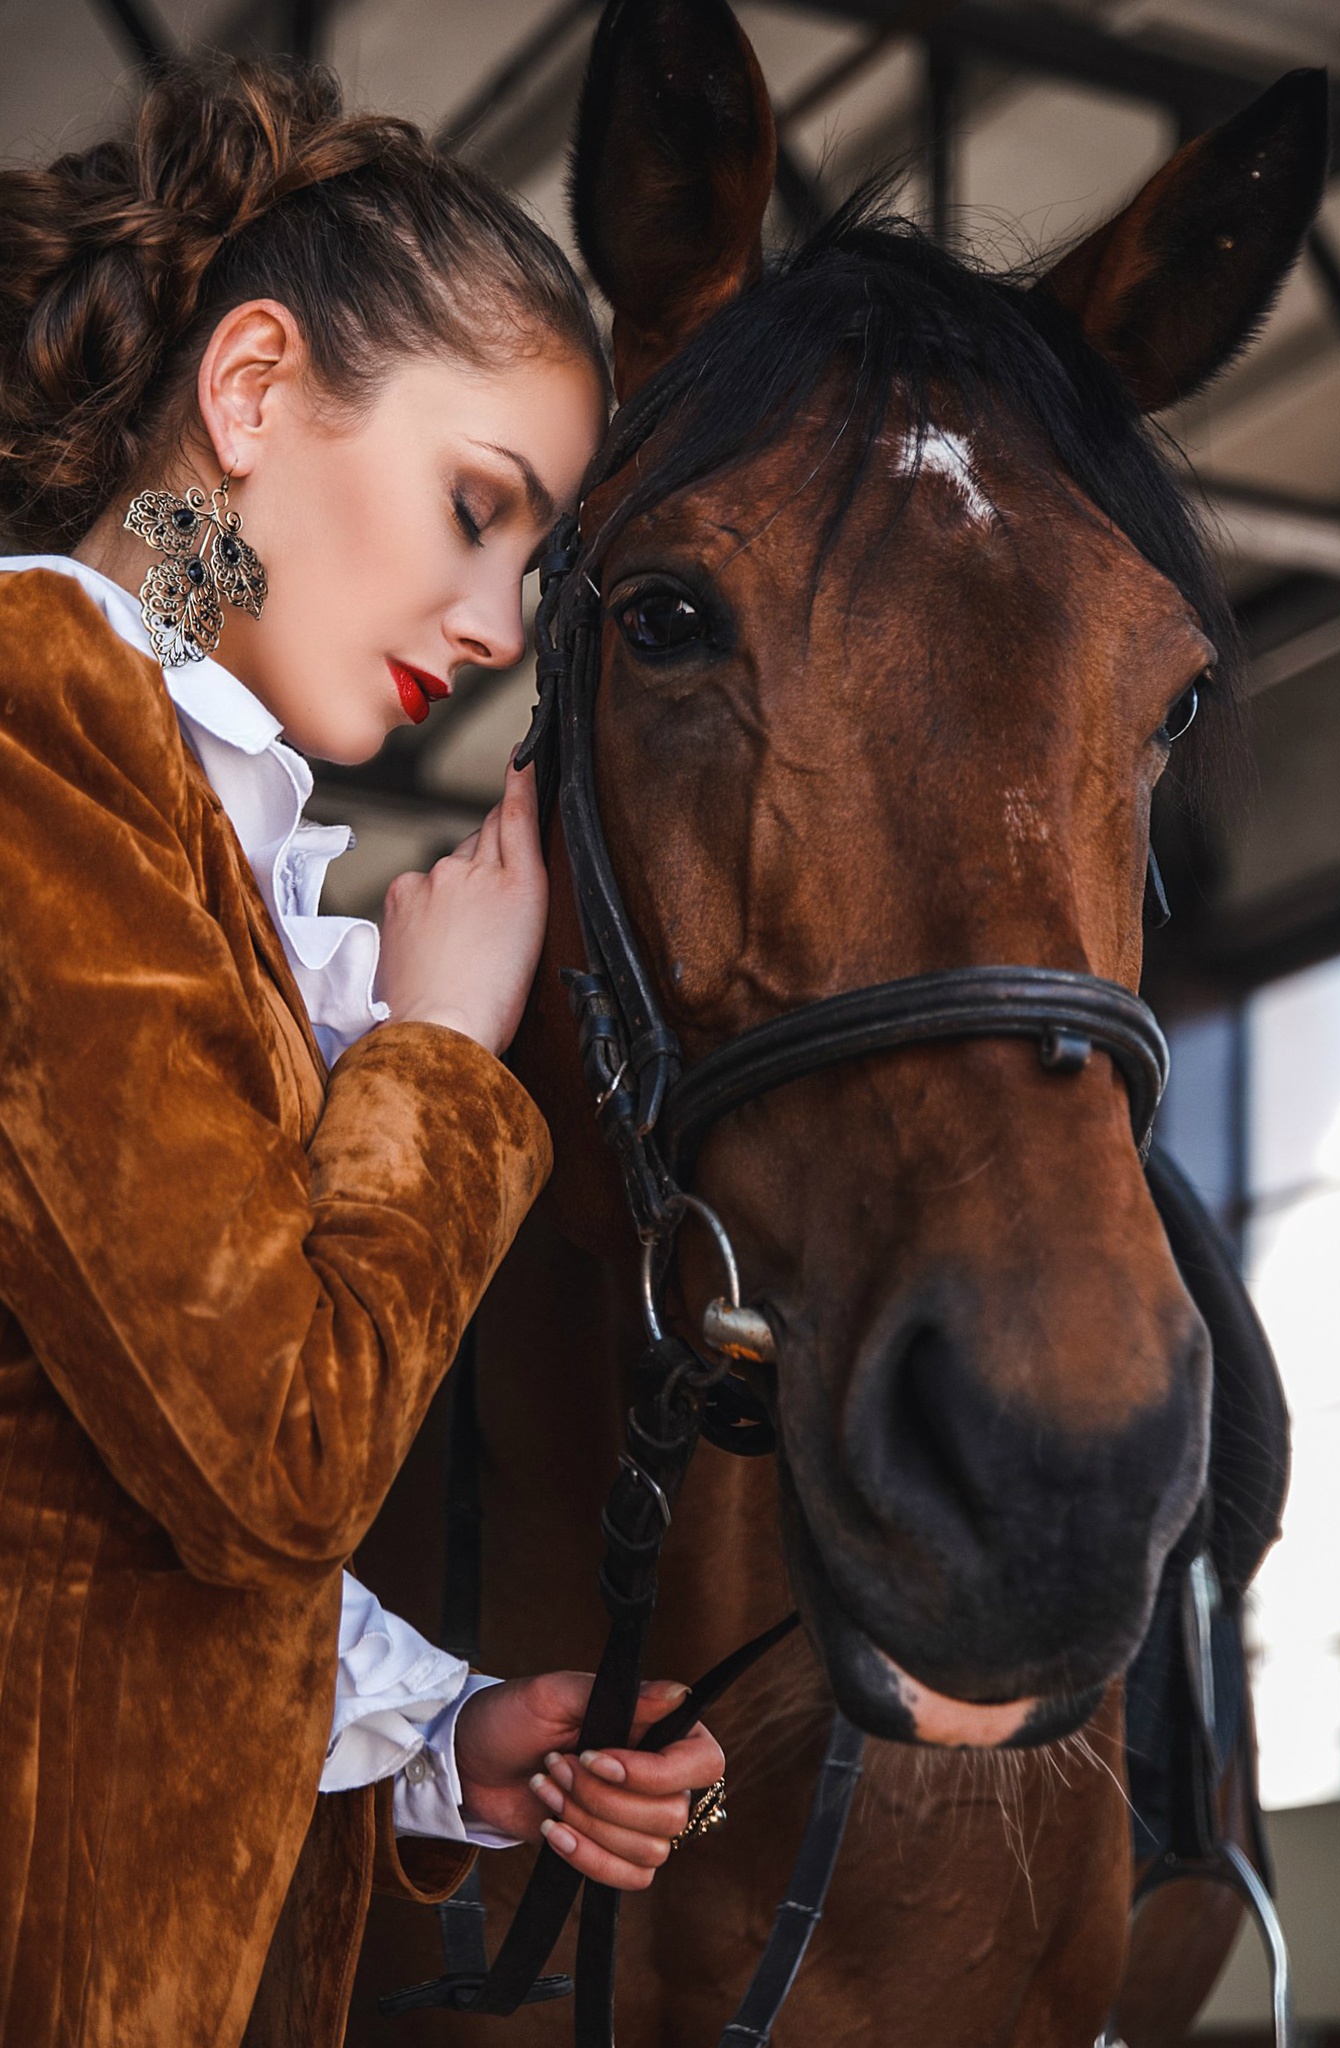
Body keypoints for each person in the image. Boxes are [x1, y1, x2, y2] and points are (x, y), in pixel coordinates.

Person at [0, 56, 722, 2048]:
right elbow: (272, 1460)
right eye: (475, 510)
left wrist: (439, 1735)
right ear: (251, 391)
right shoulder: (36, 733)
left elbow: (95, 1517)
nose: (495, 625)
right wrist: (439, 1056)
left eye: (530, 568)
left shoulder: (180, 813)